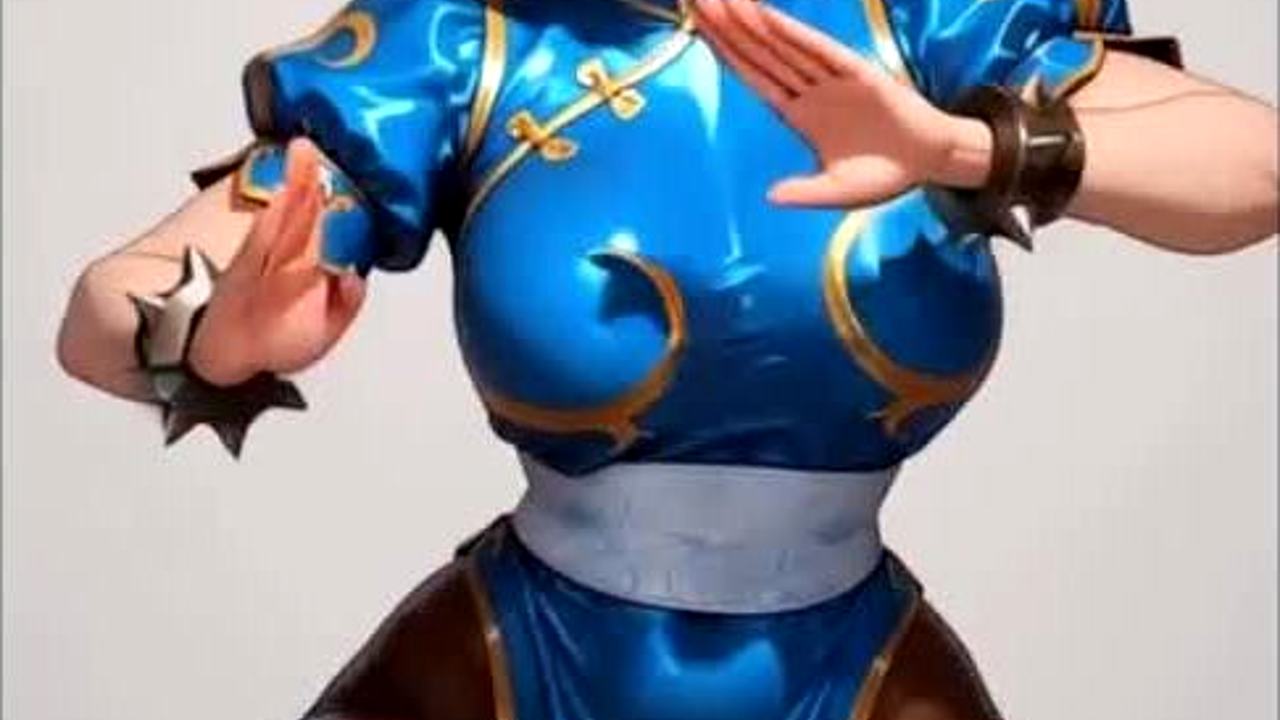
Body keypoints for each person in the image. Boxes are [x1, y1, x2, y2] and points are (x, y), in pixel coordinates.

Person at [55, 0, 1277, 717]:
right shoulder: (464, 46)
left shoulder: (935, 26)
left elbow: (1255, 166)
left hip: (853, 673)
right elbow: (103, 313)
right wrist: (206, 333)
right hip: (510, 667)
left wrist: (966, 150)